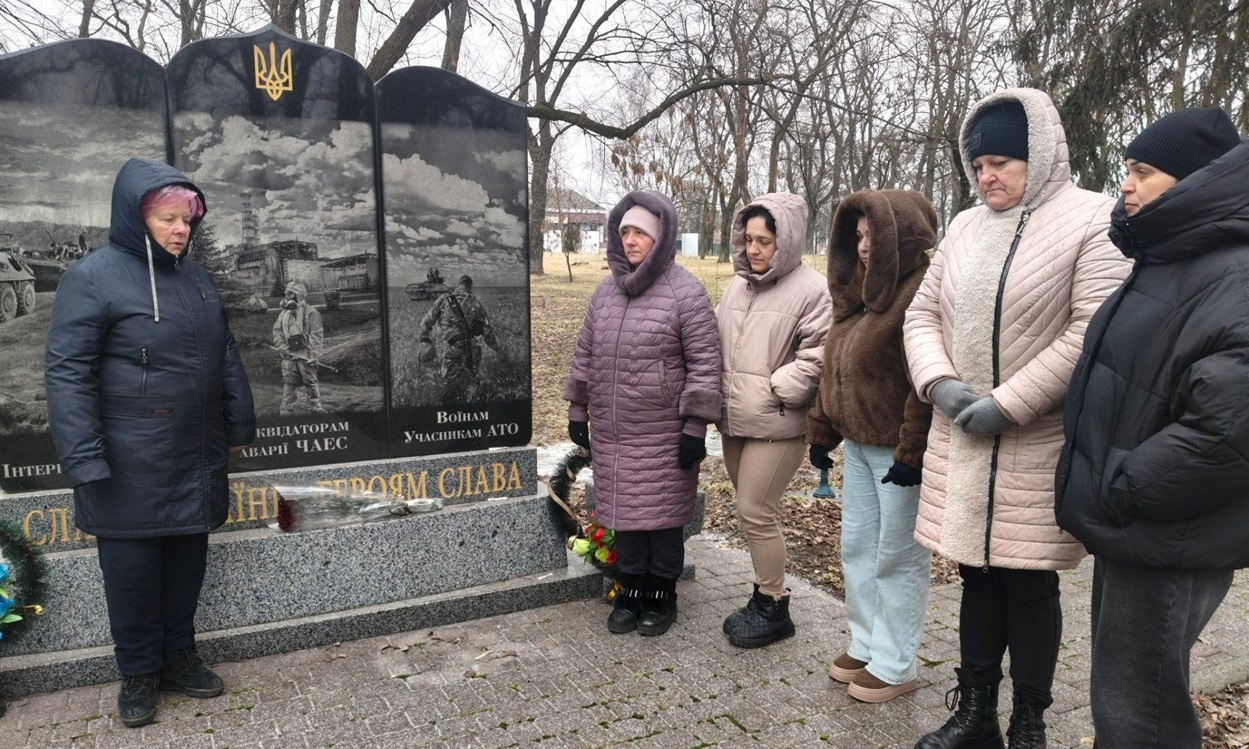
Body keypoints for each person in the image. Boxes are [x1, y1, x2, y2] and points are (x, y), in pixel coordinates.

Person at [902, 88, 1130, 749]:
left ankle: (1029, 720)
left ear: (1041, 153)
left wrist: (1008, 402)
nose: (987, 176)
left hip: (1036, 443)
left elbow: (1093, 328)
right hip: (962, 441)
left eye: (1000, 161)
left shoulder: (1090, 220)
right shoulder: (965, 226)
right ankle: (975, 714)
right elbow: (921, 314)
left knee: (1027, 583)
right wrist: (938, 381)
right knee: (975, 576)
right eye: (977, 165)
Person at [1055, 107, 1247, 749]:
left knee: (1142, 711)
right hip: (1140, 523)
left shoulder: (1234, 274)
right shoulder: (1171, 255)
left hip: (1169, 527)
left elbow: (1228, 430)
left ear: (1196, 180)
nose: (1125, 186)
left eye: (1142, 172)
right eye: (1125, 171)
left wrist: (1125, 487)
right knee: (1126, 697)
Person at [44, 158, 256, 729]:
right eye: (168, 218)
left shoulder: (196, 277)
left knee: (187, 561)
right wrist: (84, 457)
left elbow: (226, 353)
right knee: (134, 571)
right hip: (126, 462)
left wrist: (238, 425)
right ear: (136, 218)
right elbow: (67, 373)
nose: (180, 230)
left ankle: (179, 655)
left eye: (186, 220)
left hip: (194, 453)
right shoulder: (92, 277)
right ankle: (138, 673)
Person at [563, 190, 721, 637]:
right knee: (625, 517)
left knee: (664, 518)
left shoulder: (685, 292)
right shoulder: (605, 293)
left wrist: (695, 426)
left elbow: (706, 363)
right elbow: (585, 353)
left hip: (664, 433)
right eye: (625, 232)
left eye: (640, 233)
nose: (630, 240)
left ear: (661, 237)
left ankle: (662, 593)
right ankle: (630, 588)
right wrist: (579, 408)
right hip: (615, 432)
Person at [808, 190, 936, 703]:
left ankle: (896, 661)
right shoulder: (859, 293)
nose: (862, 247)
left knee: (898, 556)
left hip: (896, 452)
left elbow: (924, 382)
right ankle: (865, 643)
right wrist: (821, 432)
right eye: (856, 237)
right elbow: (833, 368)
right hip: (860, 447)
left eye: (872, 236)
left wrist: (911, 452)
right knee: (858, 548)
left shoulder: (920, 291)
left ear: (899, 235)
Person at [715, 193, 831, 649]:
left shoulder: (811, 289)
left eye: (765, 240)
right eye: (749, 239)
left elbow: (819, 356)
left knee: (755, 510)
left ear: (787, 241)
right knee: (750, 512)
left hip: (778, 422)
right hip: (733, 418)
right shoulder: (737, 287)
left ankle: (775, 605)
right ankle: (763, 592)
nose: (755, 249)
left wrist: (777, 389)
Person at [419, 274, 498, 402]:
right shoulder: (475, 302)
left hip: (450, 347)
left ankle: (448, 406)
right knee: (473, 380)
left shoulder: (443, 298)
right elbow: (486, 329)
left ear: (458, 285)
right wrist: (495, 347)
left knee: (446, 381)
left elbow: (426, 321)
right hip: (470, 347)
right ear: (469, 286)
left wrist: (424, 338)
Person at [273, 280, 326, 415]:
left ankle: (314, 405)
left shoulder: (311, 313)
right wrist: (282, 346)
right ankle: (286, 408)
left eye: (292, 294)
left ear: (300, 295)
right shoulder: (283, 313)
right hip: (289, 354)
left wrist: (314, 355)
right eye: (287, 294)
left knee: (310, 381)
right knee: (289, 381)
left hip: (305, 354)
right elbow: (277, 330)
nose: (289, 297)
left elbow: (316, 335)